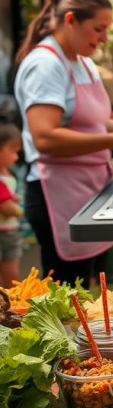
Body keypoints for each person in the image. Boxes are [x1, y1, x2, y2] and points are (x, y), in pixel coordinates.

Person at [14, 0, 113, 287]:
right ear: (70, 20)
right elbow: (45, 137)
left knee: (89, 294)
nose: (104, 39)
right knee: (67, 299)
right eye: (99, 29)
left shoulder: (83, 63)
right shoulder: (45, 65)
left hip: (91, 188)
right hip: (57, 193)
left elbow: (97, 123)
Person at [0, 122, 24, 288]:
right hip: (5, 234)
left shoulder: (7, 173)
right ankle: (11, 301)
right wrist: (20, 211)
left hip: (9, 231)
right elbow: (6, 207)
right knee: (11, 272)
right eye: (13, 151)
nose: (16, 157)